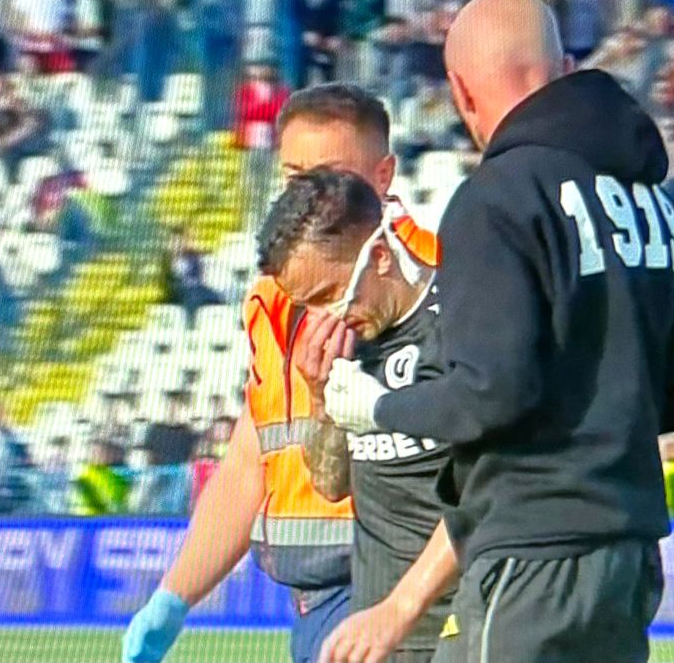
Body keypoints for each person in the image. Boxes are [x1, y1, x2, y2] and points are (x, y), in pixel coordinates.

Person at [322, 0, 674, 663]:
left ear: (460, 90)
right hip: (627, 552)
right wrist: (600, 400)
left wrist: (379, 407)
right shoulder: (651, 202)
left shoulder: (496, 198)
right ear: (563, 69)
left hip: (531, 550)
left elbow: (490, 393)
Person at [121, 84, 438, 663]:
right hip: (312, 604)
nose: (309, 198)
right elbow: (250, 464)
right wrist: (173, 598)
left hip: (389, 591)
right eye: (295, 179)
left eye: (331, 177)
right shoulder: (269, 301)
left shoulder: (433, 282)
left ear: (384, 176)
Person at [258, 169, 454, 663]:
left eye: (328, 295)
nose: (324, 318)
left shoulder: (460, 324)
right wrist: (320, 397)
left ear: (380, 256)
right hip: (377, 634)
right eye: (307, 306)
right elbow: (331, 486)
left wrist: (402, 607)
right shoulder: (350, 346)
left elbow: (489, 494)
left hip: (462, 627)